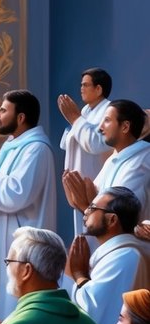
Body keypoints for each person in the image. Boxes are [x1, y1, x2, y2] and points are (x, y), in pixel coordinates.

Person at [0, 89, 58, 321]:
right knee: (6, 313)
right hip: (5, 237)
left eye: (3, 110)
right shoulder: (13, 145)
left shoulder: (36, 149)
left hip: (20, 240)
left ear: (21, 117)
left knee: (18, 313)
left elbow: (17, 194)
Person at [66, 187, 149, 324]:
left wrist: (79, 273)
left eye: (93, 207)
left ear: (112, 220)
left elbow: (92, 309)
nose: (86, 211)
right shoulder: (120, 252)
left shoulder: (125, 256)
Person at [63, 99, 150, 224]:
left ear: (125, 127)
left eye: (107, 120)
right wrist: (78, 199)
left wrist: (85, 205)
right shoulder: (114, 159)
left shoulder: (140, 164)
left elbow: (119, 221)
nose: (100, 128)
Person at [57, 68, 113, 239]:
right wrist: (74, 120)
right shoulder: (85, 112)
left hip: (94, 181)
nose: (81, 88)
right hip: (78, 184)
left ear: (98, 89)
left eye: (85, 85)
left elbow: (97, 144)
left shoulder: (108, 111)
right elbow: (65, 143)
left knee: (94, 233)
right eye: (81, 85)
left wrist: (75, 119)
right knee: (82, 234)